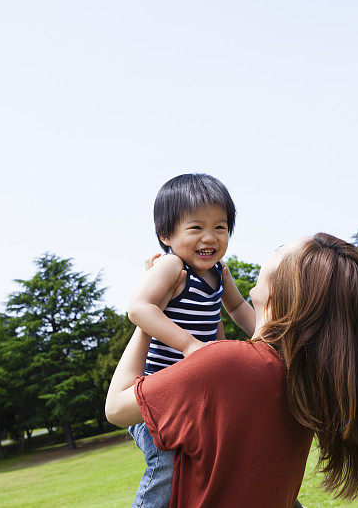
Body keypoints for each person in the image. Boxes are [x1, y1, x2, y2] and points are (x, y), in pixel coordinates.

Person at [106, 233, 358, 507]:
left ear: (281, 291)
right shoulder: (301, 376)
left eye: (279, 250)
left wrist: (152, 313)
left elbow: (117, 407)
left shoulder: (228, 364)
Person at [125, 173, 256, 507]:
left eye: (220, 227)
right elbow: (140, 309)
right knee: (166, 462)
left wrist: (269, 338)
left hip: (195, 396)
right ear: (166, 235)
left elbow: (239, 308)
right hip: (157, 398)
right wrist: (189, 346)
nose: (209, 237)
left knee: (229, 454)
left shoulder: (219, 273)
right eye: (196, 228)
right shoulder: (171, 266)